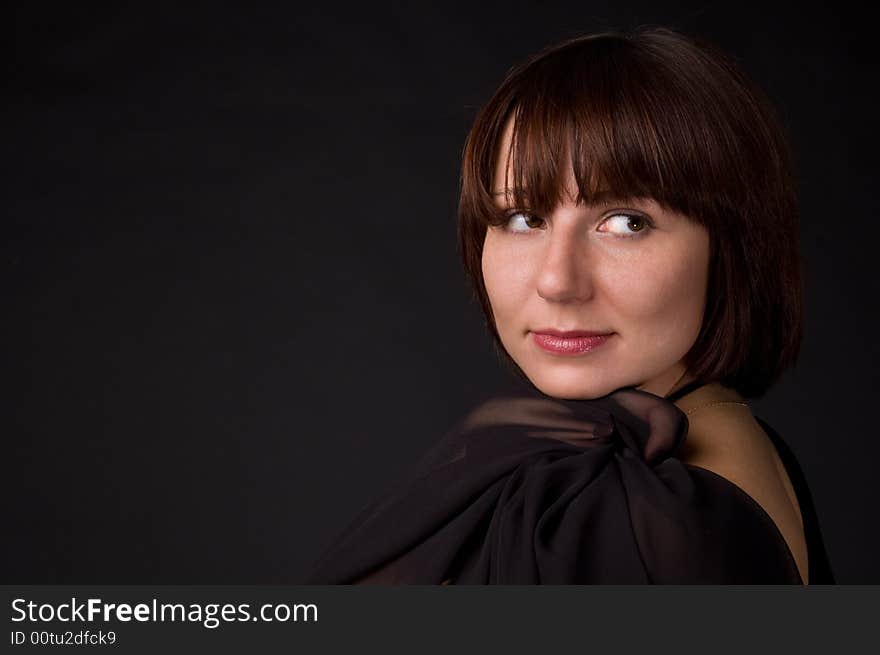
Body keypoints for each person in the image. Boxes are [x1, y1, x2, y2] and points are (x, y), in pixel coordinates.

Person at [305, 26, 835, 584]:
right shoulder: (736, 445)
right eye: (523, 219)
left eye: (627, 223)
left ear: (733, 247)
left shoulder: (623, 515)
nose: (558, 280)